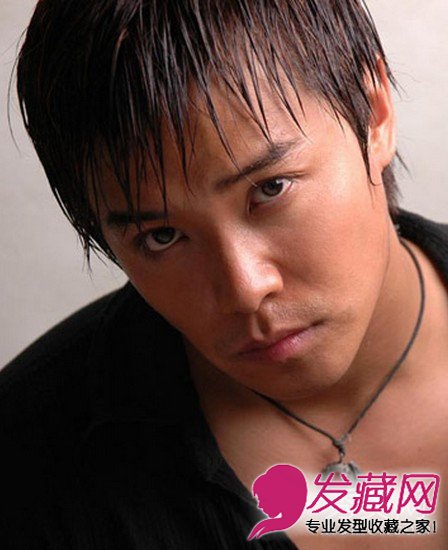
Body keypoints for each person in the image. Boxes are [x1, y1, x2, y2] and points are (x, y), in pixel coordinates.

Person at [1, 0, 447, 548]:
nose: (245, 289)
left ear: (374, 113)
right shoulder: (27, 468)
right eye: (161, 236)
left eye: (271, 189)